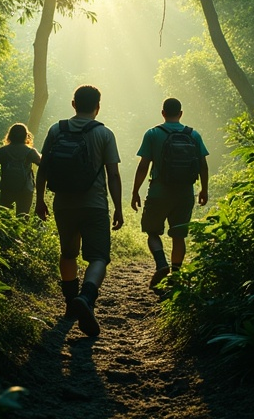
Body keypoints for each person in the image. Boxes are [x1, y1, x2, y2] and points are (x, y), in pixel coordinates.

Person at [35, 85, 123, 337]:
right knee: (98, 257)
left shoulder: (56, 130)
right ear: (98, 106)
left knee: (69, 253)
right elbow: (113, 174)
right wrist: (117, 207)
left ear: (73, 104)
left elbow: (43, 168)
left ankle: (70, 304)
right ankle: (86, 297)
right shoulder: (104, 133)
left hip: (63, 203)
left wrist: (40, 199)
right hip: (94, 204)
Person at [131, 97, 209, 291]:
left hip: (158, 192)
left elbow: (143, 166)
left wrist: (135, 191)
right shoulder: (194, 135)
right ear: (181, 114)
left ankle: (161, 264)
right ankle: (175, 275)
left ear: (163, 113)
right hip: (184, 193)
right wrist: (204, 189)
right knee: (178, 235)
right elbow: (203, 165)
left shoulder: (153, 133)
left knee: (152, 232)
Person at [0, 123, 41, 215]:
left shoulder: (2, 151)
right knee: (23, 216)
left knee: (3, 215)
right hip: (25, 189)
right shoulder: (30, 152)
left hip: (7, 188)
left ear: (10, 135)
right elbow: (44, 165)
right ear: (26, 136)